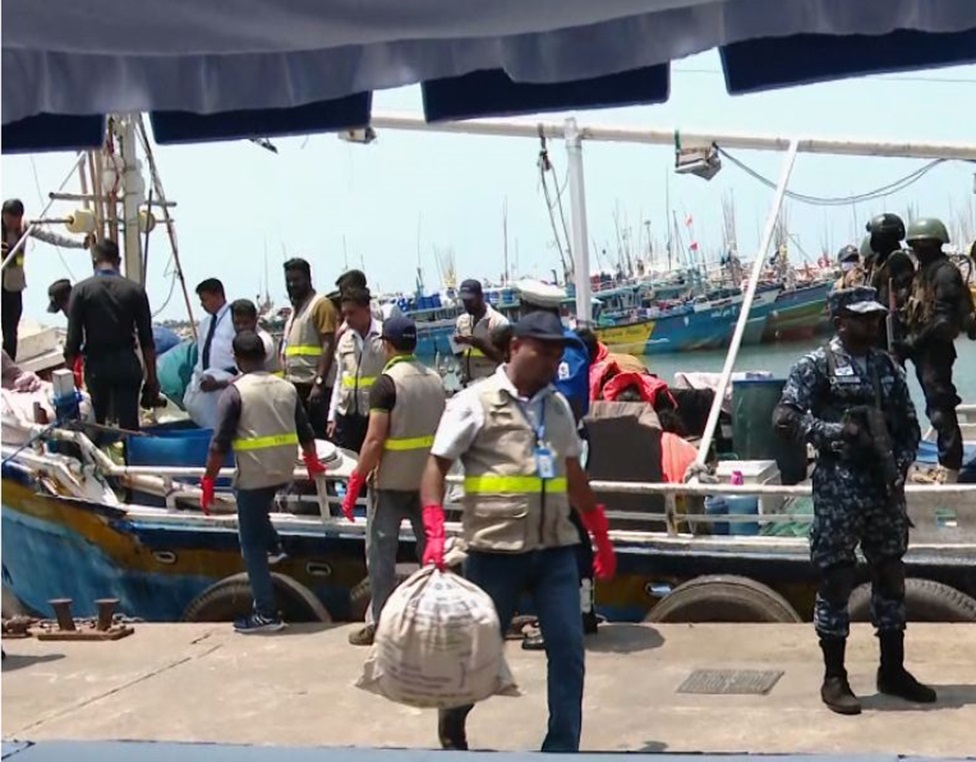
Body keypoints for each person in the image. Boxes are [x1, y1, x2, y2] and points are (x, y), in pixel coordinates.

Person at [420, 310, 617, 752]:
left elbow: (572, 475)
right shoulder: (474, 402)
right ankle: (453, 718)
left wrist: (599, 533)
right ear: (514, 348)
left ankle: (561, 748)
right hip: (495, 553)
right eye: (542, 352)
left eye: (556, 356)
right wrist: (434, 530)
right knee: (480, 654)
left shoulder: (557, 408)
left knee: (568, 651)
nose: (550, 363)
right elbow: (435, 468)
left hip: (555, 551)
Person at [773, 286, 934, 716]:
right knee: (837, 579)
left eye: (875, 317)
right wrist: (834, 433)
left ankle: (892, 670)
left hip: (884, 488)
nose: (873, 324)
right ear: (840, 321)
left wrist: (899, 463)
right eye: (863, 318)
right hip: (839, 488)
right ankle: (835, 677)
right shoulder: (816, 366)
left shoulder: (886, 366)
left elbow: (909, 425)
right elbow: (785, 418)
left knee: (891, 574)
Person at [201, 331, 327, 633]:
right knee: (259, 514)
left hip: (254, 475)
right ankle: (276, 546)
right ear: (264, 356)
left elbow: (218, 445)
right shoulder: (287, 387)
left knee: (250, 544)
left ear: (236, 358)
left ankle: (266, 614)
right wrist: (312, 462)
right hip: (284, 470)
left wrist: (208, 482)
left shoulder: (234, 392)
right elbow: (306, 432)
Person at [342, 316, 446, 646]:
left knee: (381, 556)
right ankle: (433, 618)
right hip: (426, 482)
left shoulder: (386, 384)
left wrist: (357, 479)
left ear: (386, 345)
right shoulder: (435, 380)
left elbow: (375, 440)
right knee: (430, 553)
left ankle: (381, 624)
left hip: (389, 482)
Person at [901, 218, 974, 485]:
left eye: (919, 245)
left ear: (931, 244)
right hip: (925, 350)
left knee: (941, 408)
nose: (916, 250)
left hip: (936, 350)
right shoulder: (925, 272)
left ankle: (950, 465)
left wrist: (913, 342)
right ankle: (946, 462)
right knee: (934, 407)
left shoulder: (943, 273)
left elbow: (943, 321)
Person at [64, 239, 158, 430]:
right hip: (127, 363)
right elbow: (147, 340)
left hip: (97, 366)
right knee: (129, 425)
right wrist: (152, 378)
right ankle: (129, 447)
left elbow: (73, 340)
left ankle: (98, 448)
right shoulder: (135, 290)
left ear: (94, 261)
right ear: (119, 261)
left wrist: (69, 378)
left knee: (97, 423)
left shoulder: (81, 290)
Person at [2, 198, 88, 359]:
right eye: (7, 221)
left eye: (13, 222)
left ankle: (7, 367)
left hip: (12, 287)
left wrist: (80, 244)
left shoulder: (25, 227)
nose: (10, 225)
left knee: (10, 332)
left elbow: (52, 237)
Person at [838, 213, 915, 360]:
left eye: (876, 235)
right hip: (874, 326)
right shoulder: (875, 260)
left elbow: (901, 298)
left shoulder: (898, 260)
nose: (873, 239)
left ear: (887, 237)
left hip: (888, 328)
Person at [280, 258, 339, 439]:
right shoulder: (296, 310)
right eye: (288, 281)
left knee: (319, 439)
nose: (292, 285)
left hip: (314, 388)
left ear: (308, 278)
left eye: (296, 279)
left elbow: (328, 344)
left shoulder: (320, 305)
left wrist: (319, 383)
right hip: (296, 386)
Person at [327, 287, 386, 452]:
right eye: (345, 314)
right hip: (347, 414)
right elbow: (339, 380)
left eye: (352, 313)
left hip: (375, 414)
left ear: (366, 310)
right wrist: (332, 416)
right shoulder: (345, 339)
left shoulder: (384, 336)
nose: (347, 319)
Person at [184, 279, 237, 429]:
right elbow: (202, 355)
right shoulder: (205, 324)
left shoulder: (234, 319)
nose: (202, 305)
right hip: (206, 379)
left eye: (205, 300)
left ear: (218, 296)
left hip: (227, 378)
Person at [453, 279, 508, 386]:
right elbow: (460, 355)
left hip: (491, 385)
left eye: (470, 301)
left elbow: (505, 360)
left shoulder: (498, 322)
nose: (467, 305)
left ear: (481, 296)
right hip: (468, 385)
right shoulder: (461, 321)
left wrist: (480, 345)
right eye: (464, 301)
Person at [230, 298, 281, 374]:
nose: (241, 327)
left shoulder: (263, 341)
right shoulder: (238, 339)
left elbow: (252, 372)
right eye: (237, 323)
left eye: (245, 323)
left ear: (255, 320)